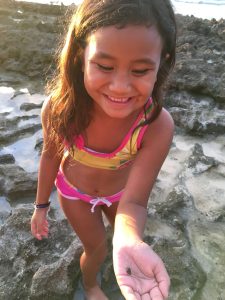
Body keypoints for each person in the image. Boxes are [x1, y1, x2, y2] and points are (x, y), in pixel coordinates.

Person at [31, 0, 176, 299]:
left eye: (140, 70)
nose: (120, 86)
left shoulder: (156, 125)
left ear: (162, 61)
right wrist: (41, 207)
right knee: (95, 248)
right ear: (81, 55)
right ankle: (90, 284)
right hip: (75, 194)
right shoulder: (59, 109)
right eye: (105, 66)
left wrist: (129, 238)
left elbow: (135, 203)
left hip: (122, 196)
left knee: (122, 238)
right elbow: (50, 156)